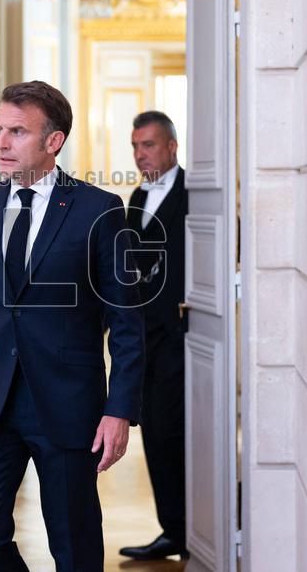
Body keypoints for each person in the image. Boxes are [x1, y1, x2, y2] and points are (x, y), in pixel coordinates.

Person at [0, 80, 145, 571]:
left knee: (74, 547)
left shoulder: (98, 210)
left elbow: (126, 322)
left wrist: (119, 411)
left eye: (17, 132)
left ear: (53, 141)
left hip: (67, 404)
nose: (1, 143)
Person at [119, 110, 190, 562]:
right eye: (135, 147)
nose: (141, 154)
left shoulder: (197, 194)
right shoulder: (137, 196)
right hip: (144, 342)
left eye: (148, 145)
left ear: (171, 147)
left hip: (184, 339)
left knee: (178, 438)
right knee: (157, 440)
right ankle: (173, 530)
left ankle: (193, 530)